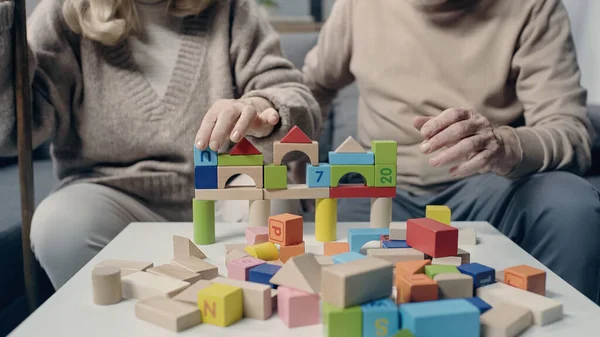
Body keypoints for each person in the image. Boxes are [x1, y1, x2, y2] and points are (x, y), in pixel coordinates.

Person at [0, 0, 320, 289]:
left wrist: (261, 106)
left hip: (224, 188)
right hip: (115, 197)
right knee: (59, 224)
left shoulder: (233, 10)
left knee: (273, 202)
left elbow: (295, 97)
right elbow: (13, 133)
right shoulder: (63, 14)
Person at [302, 0, 600, 304]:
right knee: (328, 264)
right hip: (378, 189)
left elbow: (569, 129)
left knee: (570, 204)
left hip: (487, 186)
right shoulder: (358, 6)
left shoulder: (533, 7)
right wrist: (299, 175)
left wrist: (506, 145)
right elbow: (310, 89)